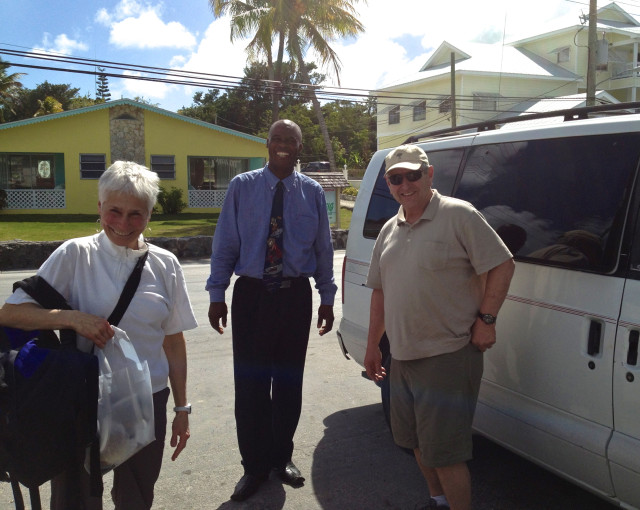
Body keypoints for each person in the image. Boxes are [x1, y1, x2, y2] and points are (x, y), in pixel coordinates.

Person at [0, 161, 198, 510]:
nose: (123, 224)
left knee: (136, 496)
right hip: (82, 397)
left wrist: (182, 408)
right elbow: (12, 313)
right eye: (115, 211)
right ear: (100, 208)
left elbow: (172, 341)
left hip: (147, 400)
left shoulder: (165, 264)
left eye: (136, 214)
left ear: (150, 213)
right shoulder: (76, 254)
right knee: (75, 496)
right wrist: (74, 319)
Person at [364, 145, 515, 510]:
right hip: (401, 357)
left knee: (445, 453)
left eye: (412, 175)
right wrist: (372, 347)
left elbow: (503, 265)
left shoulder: (458, 215)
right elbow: (381, 293)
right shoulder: (390, 228)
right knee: (416, 442)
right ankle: (437, 501)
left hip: (447, 356)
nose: (405, 184)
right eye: (396, 178)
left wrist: (487, 320)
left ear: (429, 175)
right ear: (388, 183)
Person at [206, 119, 337, 502]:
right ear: (267, 144)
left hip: (295, 297)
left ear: (300, 147)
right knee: (250, 387)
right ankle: (254, 467)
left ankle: (282, 459)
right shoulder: (242, 188)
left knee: (288, 383)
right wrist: (217, 294)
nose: (283, 145)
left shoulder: (312, 192)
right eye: (277, 139)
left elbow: (323, 250)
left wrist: (326, 297)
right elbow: (225, 242)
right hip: (251, 296)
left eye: (291, 140)